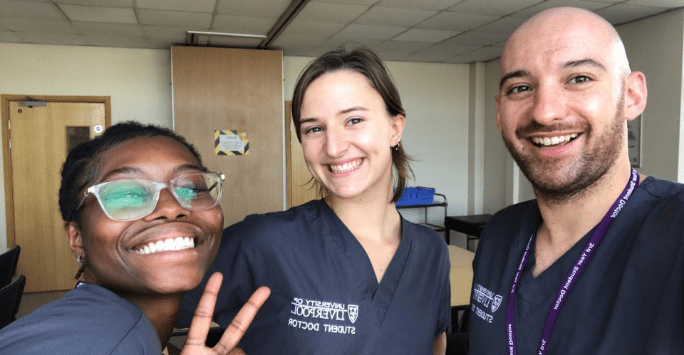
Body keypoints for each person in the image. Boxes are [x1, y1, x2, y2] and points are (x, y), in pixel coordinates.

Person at [179, 48, 451, 354]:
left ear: (394, 128)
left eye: (353, 120)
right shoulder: (263, 242)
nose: (333, 148)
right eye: (314, 129)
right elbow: (139, 311)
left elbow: (435, 341)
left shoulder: (431, 252)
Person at [469, 7, 684, 355]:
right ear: (499, 112)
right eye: (520, 88)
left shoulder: (675, 234)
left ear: (632, 95)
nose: (545, 111)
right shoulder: (500, 235)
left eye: (579, 78)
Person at [0, 122, 270, 355]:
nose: (171, 207)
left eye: (192, 188)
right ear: (77, 238)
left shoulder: (129, 332)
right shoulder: (88, 338)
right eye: (127, 195)